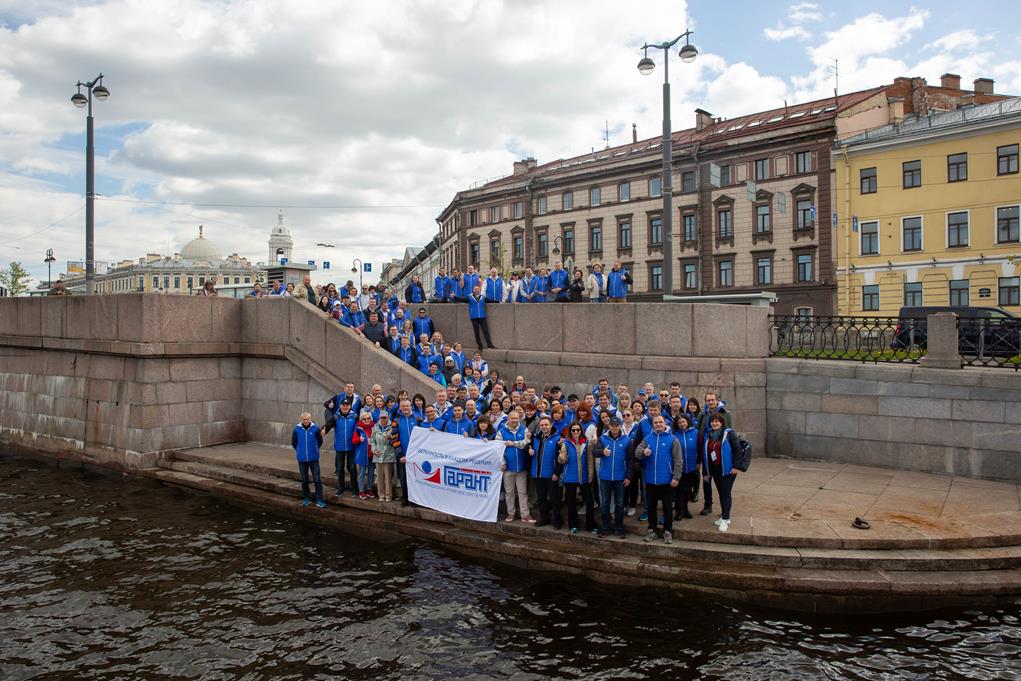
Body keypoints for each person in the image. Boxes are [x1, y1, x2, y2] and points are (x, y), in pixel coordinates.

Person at [636, 414, 682, 544]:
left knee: (667, 508)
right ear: (653, 425)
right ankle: (652, 530)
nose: (658, 424)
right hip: (651, 480)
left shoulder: (673, 439)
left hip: (666, 480)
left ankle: (668, 531)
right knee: (651, 507)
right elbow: (637, 452)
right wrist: (643, 452)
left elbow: (678, 460)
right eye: (656, 423)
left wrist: (676, 477)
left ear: (665, 423)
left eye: (660, 422)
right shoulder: (647, 438)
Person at [592, 415, 633, 538]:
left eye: (617, 425)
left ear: (620, 426)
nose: (614, 427)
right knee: (605, 503)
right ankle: (605, 528)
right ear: (609, 426)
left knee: (619, 504)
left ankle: (619, 528)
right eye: (612, 425)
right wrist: (602, 452)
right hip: (605, 477)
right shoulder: (603, 438)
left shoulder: (627, 440)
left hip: (620, 477)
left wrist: (629, 476)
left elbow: (631, 460)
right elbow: (594, 452)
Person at [703, 411, 740, 533]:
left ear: (722, 422)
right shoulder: (709, 435)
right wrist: (706, 472)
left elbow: (737, 450)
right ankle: (725, 516)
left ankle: (725, 519)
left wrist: (736, 466)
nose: (714, 423)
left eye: (717, 421)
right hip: (715, 469)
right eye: (712, 421)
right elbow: (707, 454)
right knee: (721, 493)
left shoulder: (729, 433)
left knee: (725, 494)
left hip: (727, 470)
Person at [697, 392, 732, 516]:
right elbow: (698, 430)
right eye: (708, 400)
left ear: (717, 400)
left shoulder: (725, 413)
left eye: (713, 400)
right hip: (706, 449)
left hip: (719, 450)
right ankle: (708, 504)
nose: (711, 402)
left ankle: (725, 508)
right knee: (706, 478)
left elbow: (729, 432)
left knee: (722, 482)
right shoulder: (703, 414)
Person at [557, 423, 595, 534]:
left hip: (584, 477)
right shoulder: (566, 443)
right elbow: (562, 459)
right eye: (573, 430)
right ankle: (573, 525)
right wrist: (561, 458)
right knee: (571, 503)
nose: (576, 432)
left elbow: (590, 459)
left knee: (589, 501)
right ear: (570, 431)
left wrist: (590, 474)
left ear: (581, 430)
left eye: (578, 430)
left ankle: (591, 525)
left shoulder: (586, 442)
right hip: (570, 477)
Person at [497, 411, 533, 523]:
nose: (515, 420)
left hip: (522, 467)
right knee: (509, 492)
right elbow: (498, 449)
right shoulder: (501, 431)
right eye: (512, 418)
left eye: (517, 418)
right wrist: (503, 462)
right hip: (508, 467)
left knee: (522, 492)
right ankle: (511, 513)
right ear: (508, 419)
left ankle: (525, 514)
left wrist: (513, 443)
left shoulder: (524, 429)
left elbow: (526, 443)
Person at [529, 416, 562, 528]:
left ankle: (557, 521)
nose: (544, 427)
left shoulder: (558, 439)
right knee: (541, 498)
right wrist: (528, 450)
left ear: (551, 425)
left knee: (554, 499)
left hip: (551, 474)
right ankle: (544, 518)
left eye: (546, 425)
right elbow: (528, 448)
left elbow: (560, 458)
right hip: (537, 473)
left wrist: (557, 473)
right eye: (542, 425)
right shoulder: (535, 438)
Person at [291, 412, 326, 508]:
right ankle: (306, 498)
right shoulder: (296, 429)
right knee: (304, 479)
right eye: (304, 419)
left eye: (307, 419)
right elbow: (294, 443)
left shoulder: (316, 428)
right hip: (302, 458)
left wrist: (315, 449)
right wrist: (300, 450)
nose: (306, 421)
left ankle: (319, 499)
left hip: (313, 458)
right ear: (301, 419)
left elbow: (320, 441)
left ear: (310, 419)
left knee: (317, 479)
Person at [673, 414, 701, 520]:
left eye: (683, 421)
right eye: (679, 422)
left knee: (688, 489)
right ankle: (679, 510)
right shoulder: (674, 434)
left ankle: (686, 509)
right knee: (680, 490)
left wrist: (698, 462)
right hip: (679, 467)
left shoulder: (695, 432)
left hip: (691, 466)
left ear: (687, 421)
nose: (682, 424)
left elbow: (699, 448)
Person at [331, 399, 358, 496]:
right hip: (340, 446)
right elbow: (328, 425)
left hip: (351, 446)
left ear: (350, 406)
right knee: (340, 468)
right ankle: (341, 487)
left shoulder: (355, 416)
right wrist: (323, 430)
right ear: (340, 406)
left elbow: (359, 428)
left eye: (347, 405)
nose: (345, 407)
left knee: (352, 468)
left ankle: (354, 488)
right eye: (343, 405)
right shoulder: (336, 417)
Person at [394, 399, 419, 507]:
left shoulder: (417, 418)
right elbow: (394, 438)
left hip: (415, 455)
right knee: (403, 478)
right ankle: (405, 497)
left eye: (407, 406)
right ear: (400, 407)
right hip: (403, 455)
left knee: (415, 478)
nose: (405, 408)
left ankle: (414, 499)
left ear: (410, 407)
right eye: (403, 406)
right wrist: (400, 455)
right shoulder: (397, 420)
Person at [370, 411, 397, 502]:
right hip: (378, 455)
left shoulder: (392, 427)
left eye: (385, 417)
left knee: (388, 477)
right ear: (379, 418)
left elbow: (395, 439)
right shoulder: (375, 427)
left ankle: (389, 495)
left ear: (388, 418)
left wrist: (390, 438)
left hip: (388, 454)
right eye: (382, 418)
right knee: (379, 477)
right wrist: (374, 450)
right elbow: (372, 440)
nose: (383, 419)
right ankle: (381, 495)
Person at [351, 409, 376, 499]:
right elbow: (353, 441)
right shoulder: (358, 429)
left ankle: (369, 489)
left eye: (368, 418)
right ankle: (361, 491)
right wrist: (359, 439)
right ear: (361, 420)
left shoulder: (373, 428)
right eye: (364, 419)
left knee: (371, 473)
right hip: (362, 455)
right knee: (362, 473)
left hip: (372, 454)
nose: (367, 420)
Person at [467, 284, 495, 349]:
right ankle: (480, 345)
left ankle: (489, 344)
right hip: (474, 317)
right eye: (475, 289)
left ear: (480, 290)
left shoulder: (483, 297)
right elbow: (462, 299)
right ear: (473, 290)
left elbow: (490, 301)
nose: (476, 290)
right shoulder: (469, 297)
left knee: (486, 331)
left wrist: (498, 301)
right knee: (476, 332)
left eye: (478, 289)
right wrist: (454, 297)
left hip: (482, 316)